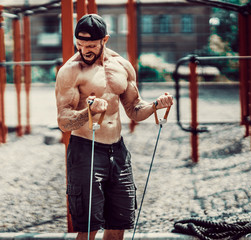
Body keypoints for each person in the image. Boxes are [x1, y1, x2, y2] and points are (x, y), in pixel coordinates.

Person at [55, 14, 173, 240]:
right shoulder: (70, 71)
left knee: (118, 224)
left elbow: (135, 110)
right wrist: (87, 112)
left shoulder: (122, 66)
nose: (84, 50)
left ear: (105, 40)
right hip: (85, 150)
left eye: (90, 45)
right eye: (79, 45)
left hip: (117, 152)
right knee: (89, 228)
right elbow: (63, 121)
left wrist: (156, 105)